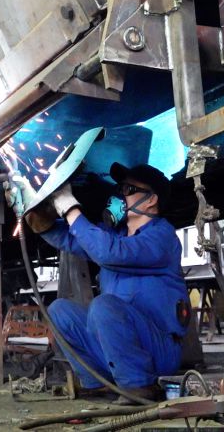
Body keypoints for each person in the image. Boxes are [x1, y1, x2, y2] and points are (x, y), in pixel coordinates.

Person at [10, 163, 189, 404]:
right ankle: (96, 383)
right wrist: (35, 210)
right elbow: (71, 239)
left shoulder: (162, 236)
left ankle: (139, 386)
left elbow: (109, 252)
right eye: (120, 188)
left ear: (151, 200)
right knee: (60, 311)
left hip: (158, 349)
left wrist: (70, 207)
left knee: (104, 306)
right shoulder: (114, 236)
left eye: (129, 190)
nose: (120, 195)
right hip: (115, 347)